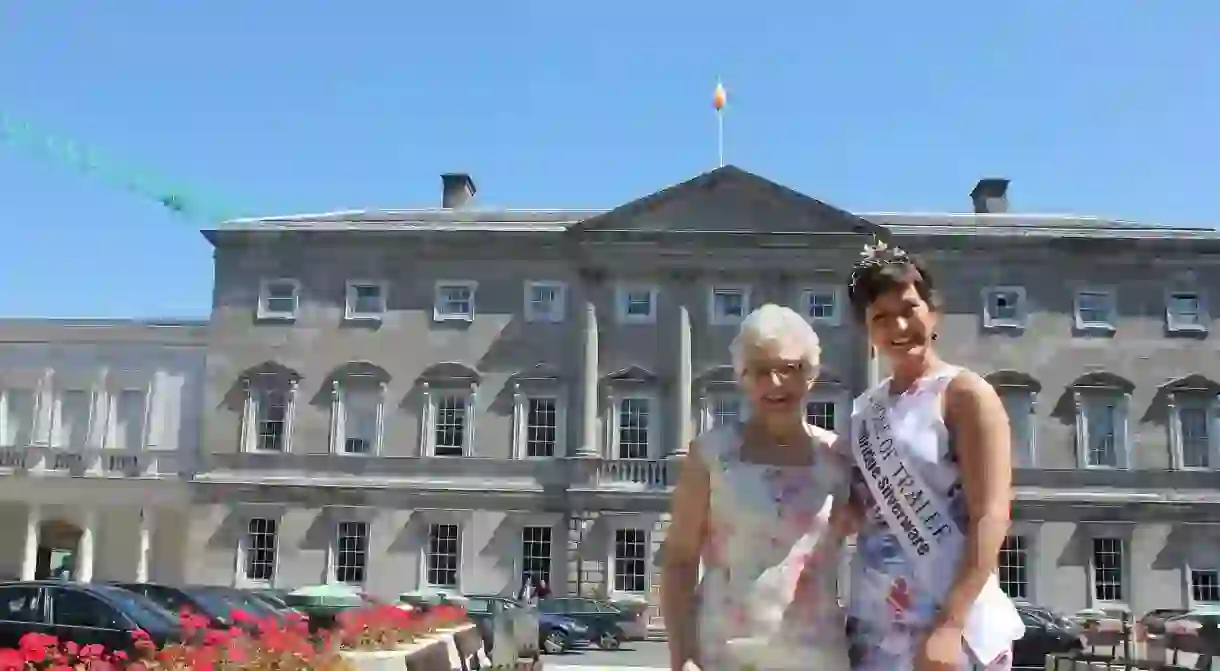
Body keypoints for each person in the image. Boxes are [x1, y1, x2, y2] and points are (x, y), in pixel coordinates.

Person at [843, 241, 1024, 671]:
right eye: (881, 318)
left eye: (909, 308)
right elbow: (860, 510)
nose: (899, 325)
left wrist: (950, 625)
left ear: (933, 311)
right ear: (867, 330)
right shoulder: (864, 409)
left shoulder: (964, 394)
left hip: (949, 628)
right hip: (875, 626)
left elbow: (991, 516)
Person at [661, 304, 855, 671]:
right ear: (743, 378)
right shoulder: (711, 455)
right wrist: (681, 654)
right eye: (762, 370)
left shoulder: (839, 458)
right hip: (727, 654)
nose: (776, 382)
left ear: (811, 375)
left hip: (818, 656)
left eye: (790, 368)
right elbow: (679, 560)